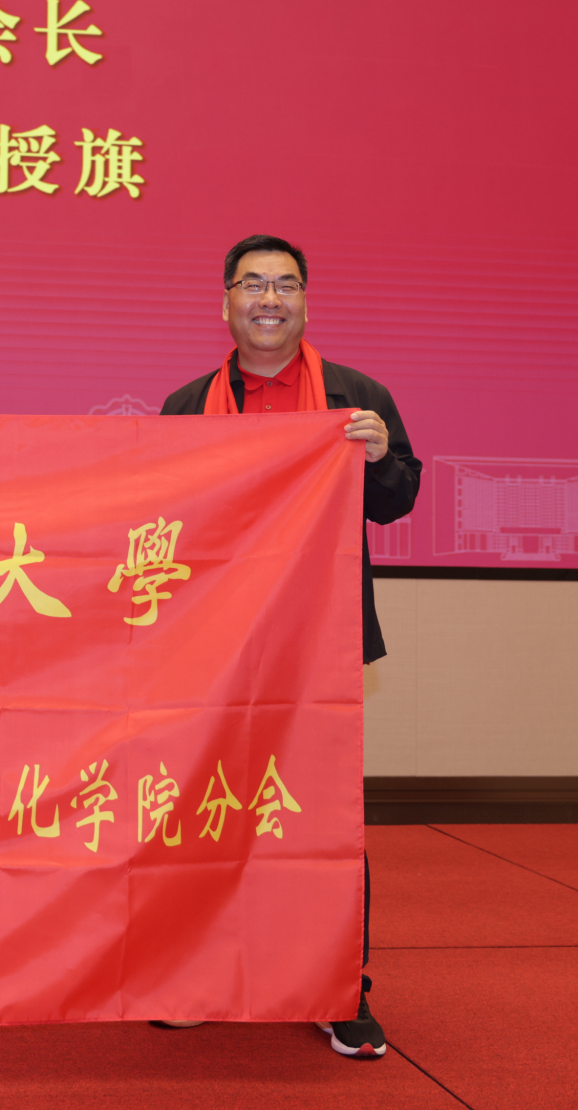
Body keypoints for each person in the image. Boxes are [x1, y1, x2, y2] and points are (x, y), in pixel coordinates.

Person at [153, 232, 421, 1059]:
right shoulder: (187, 405)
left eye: (285, 285)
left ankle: (339, 985)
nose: (269, 299)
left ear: (305, 300)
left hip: (319, 641)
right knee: (204, 803)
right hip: (215, 643)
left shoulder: (355, 396)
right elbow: (162, 519)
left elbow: (397, 500)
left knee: (320, 811)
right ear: (225, 302)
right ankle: (199, 969)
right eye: (253, 284)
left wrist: (380, 455)